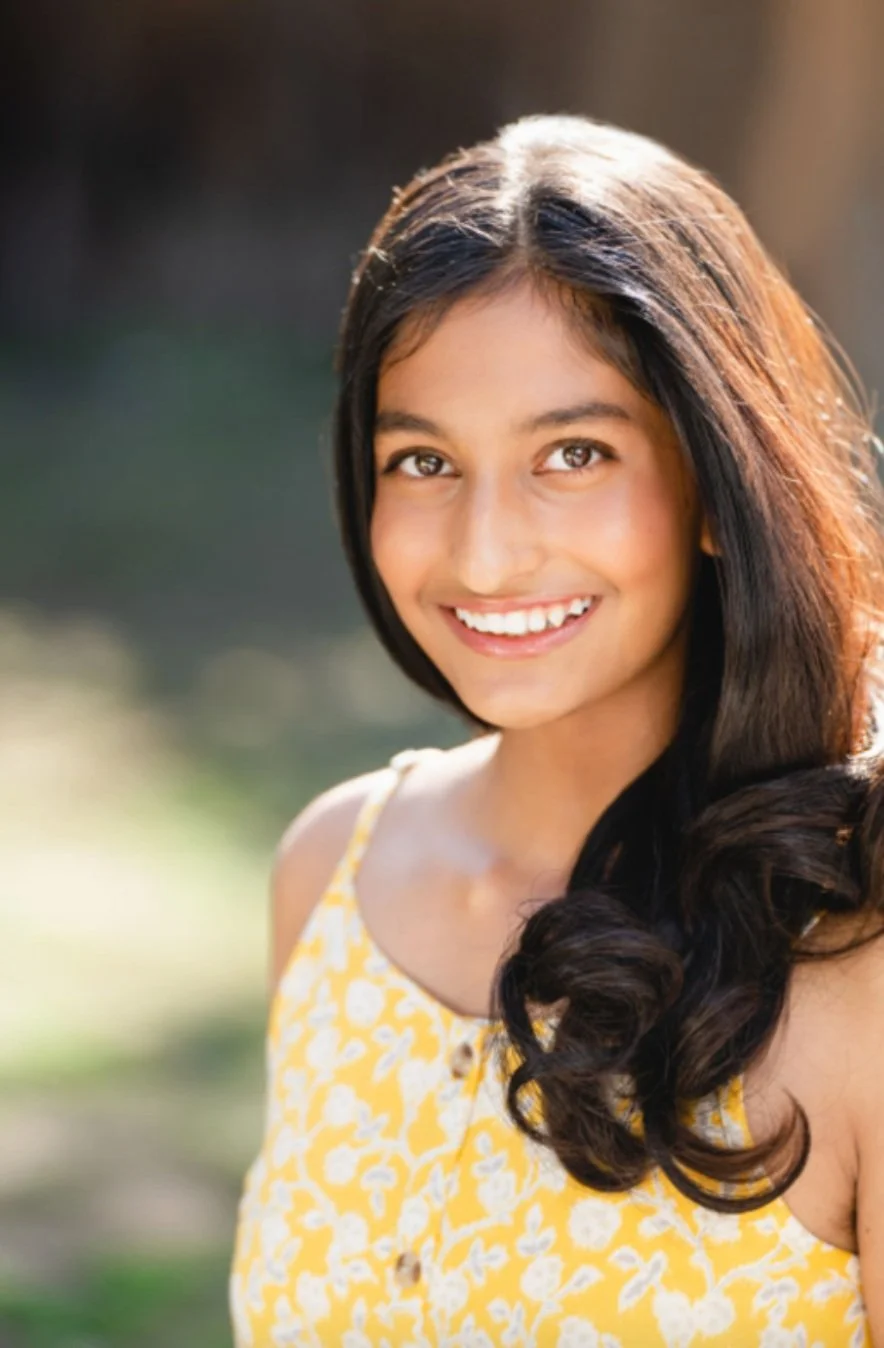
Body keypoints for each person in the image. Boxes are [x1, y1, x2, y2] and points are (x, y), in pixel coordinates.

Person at [230, 115, 884, 1345]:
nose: (483, 554)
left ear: (715, 483)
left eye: (571, 454)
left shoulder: (855, 953)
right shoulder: (328, 876)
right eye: (423, 462)